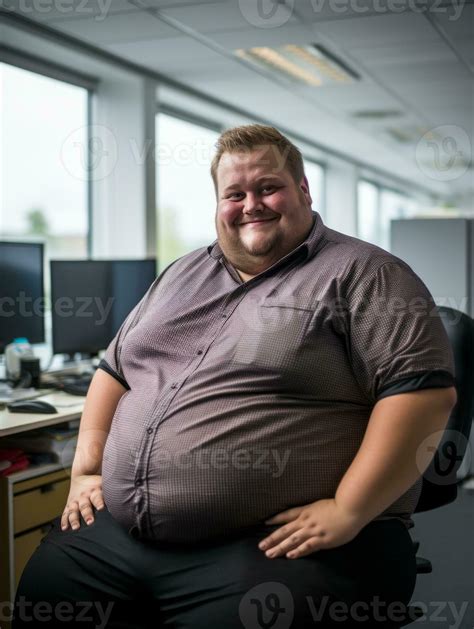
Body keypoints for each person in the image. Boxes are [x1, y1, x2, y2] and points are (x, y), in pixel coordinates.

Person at [13, 125, 456, 628]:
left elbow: (423, 395)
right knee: (45, 596)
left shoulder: (365, 273)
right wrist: (87, 471)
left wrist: (348, 510)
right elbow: (113, 370)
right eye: (235, 194)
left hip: (273, 538)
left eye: (268, 187)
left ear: (303, 191)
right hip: (123, 533)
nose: (252, 204)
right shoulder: (180, 276)